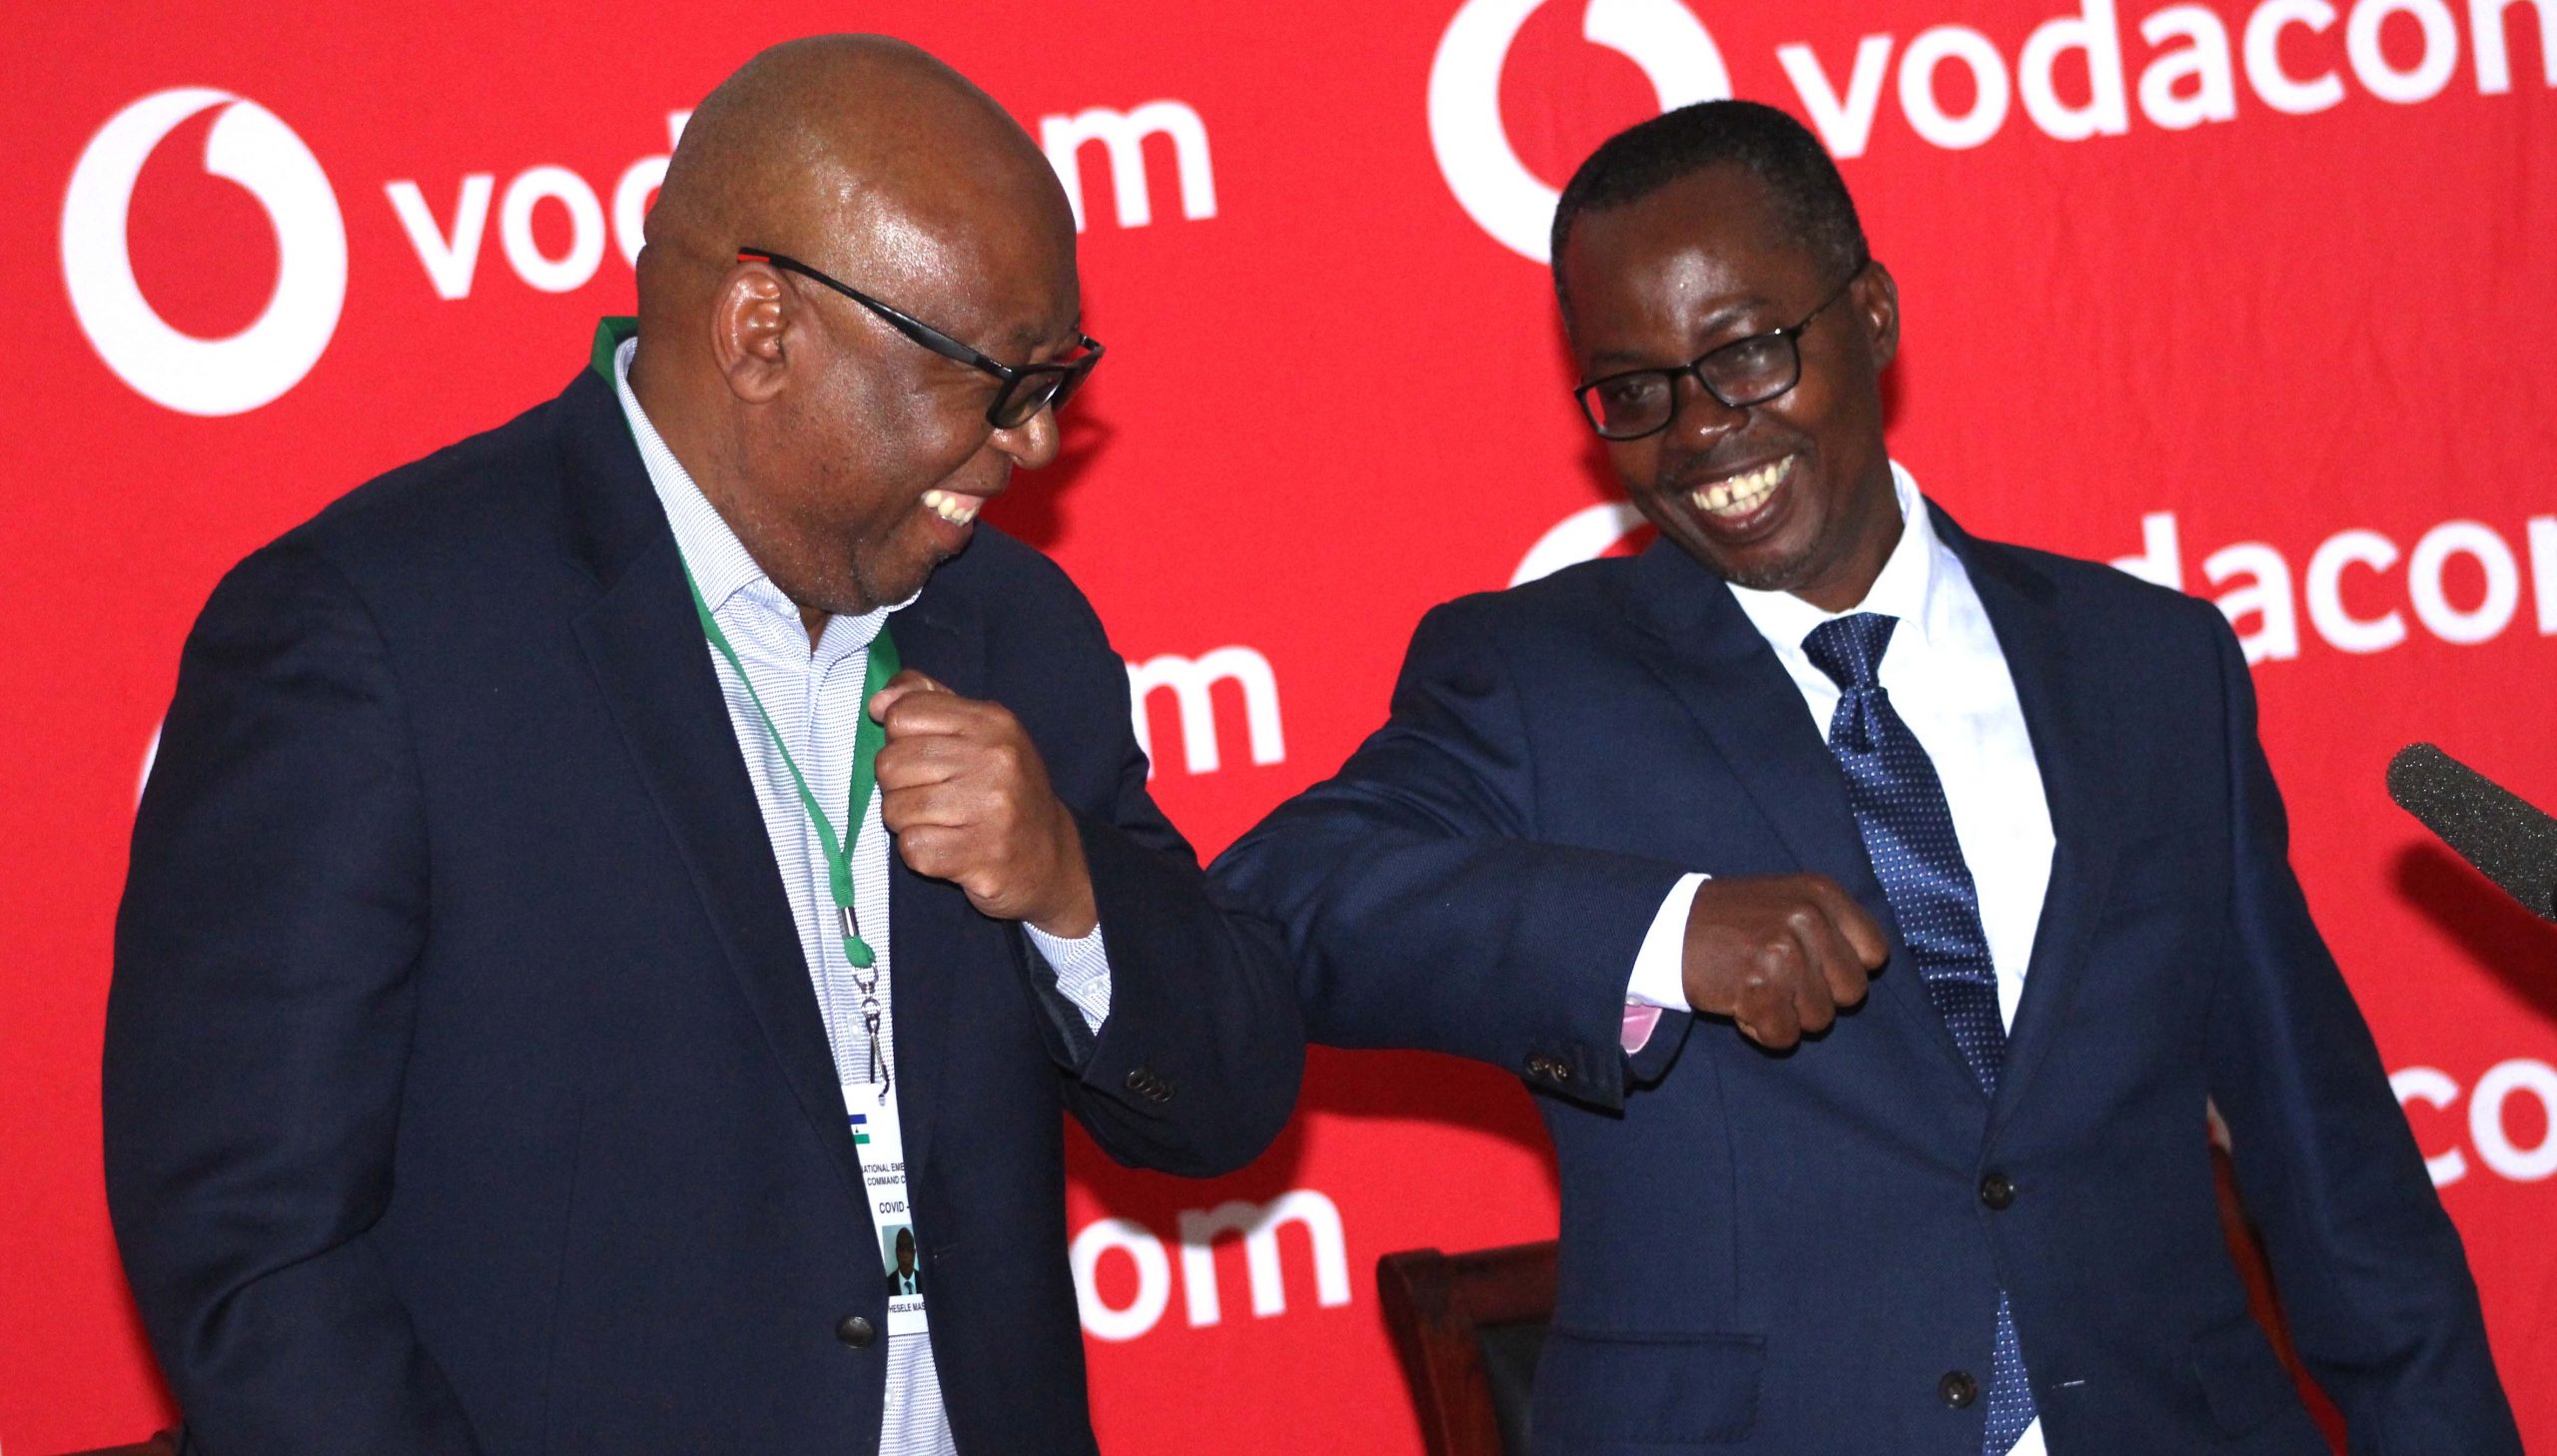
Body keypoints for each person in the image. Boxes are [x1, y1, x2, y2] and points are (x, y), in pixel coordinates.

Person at [1214, 101, 2517, 1455]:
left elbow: (2333, 1173)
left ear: (1874, 315)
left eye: (1744, 354)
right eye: (1636, 391)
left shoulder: (2151, 666)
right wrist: (1662, 931)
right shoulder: (1536, 683)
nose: (1698, 431)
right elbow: (1277, 903)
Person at [105, 35, 1301, 1456]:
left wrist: (1069, 889)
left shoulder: (1017, 627)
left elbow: (1224, 1100)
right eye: (994, 382)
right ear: (761, 330)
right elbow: (256, 1250)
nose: (1032, 444)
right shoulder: (372, 634)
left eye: (1056, 382)